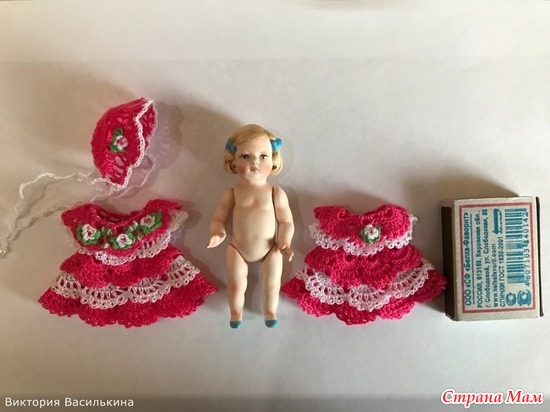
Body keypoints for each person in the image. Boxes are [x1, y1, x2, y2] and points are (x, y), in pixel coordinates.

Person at [208, 124, 294, 328]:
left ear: (273, 159)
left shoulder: (275, 192)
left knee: (271, 284)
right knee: (236, 284)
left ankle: (270, 311)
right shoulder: (232, 192)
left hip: (271, 248)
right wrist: (217, 232)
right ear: (233, 160)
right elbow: (218, 217)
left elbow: (286, 221)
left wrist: (284, 241)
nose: (255, 162)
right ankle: (235, 312)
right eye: (245, 156)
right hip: (237, 248)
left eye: (263, 156)